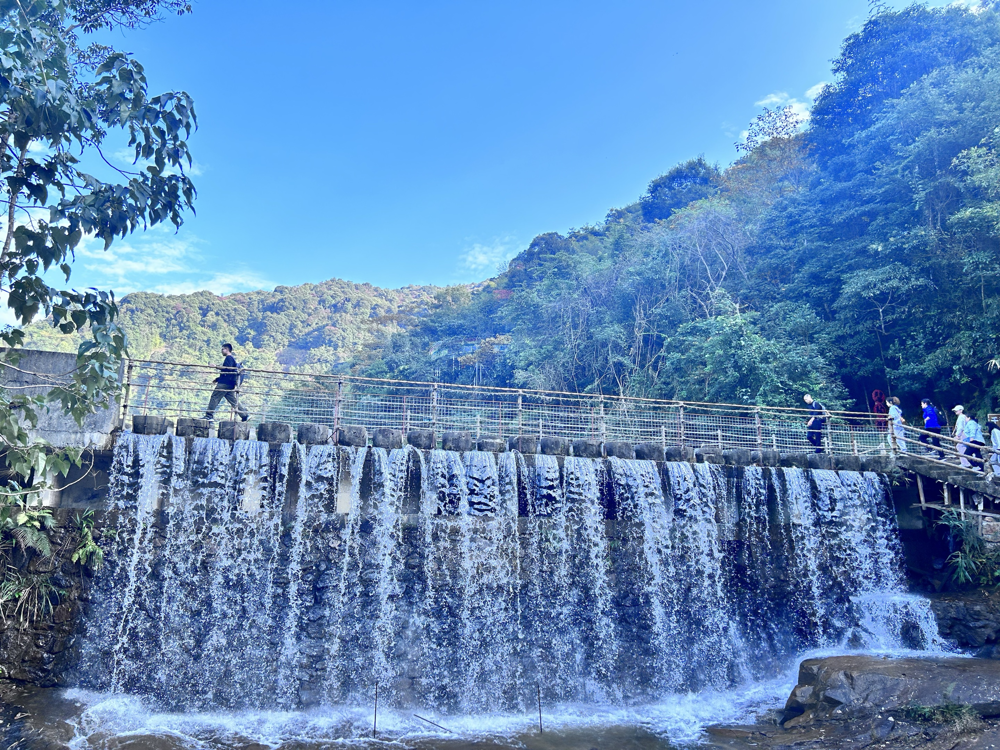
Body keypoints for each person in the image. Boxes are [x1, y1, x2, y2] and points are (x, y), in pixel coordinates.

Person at [204, 343, 249, 422]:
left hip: (224, 384)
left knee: (215, 397)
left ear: (227, 349)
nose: (222, 351)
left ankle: (209, 415)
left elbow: (227, 369)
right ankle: (244, 415)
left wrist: (216, 366)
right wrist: (218, 379)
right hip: (229, 384)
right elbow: (228, 372)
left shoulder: (229, 358)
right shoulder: (231, 359)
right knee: (233, 400)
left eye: (223, 349)